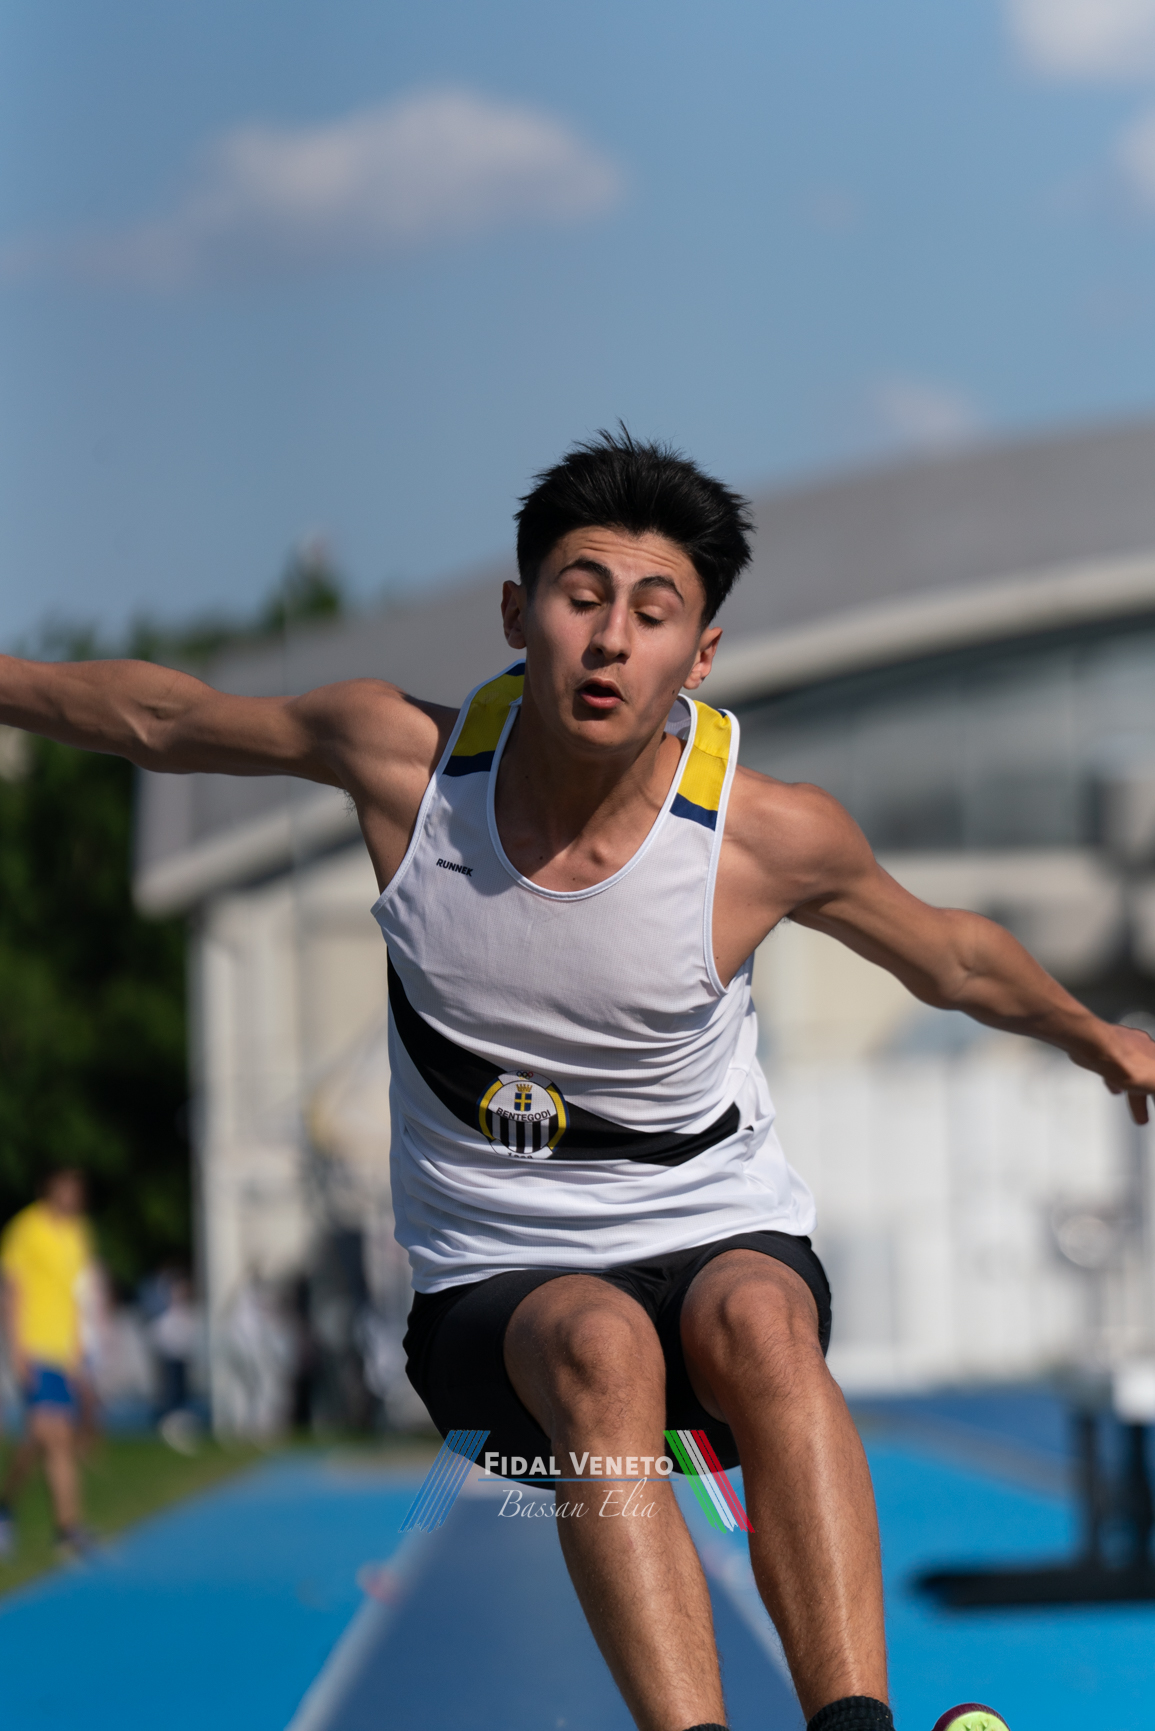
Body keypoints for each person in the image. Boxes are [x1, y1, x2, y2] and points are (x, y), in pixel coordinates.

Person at [2, 431, 1153, 1731]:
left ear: (700, 654)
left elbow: (950, 955)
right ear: (518, 613)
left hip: (717, 1233)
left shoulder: (761, 834)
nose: (609, 640)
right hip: (495, 1283)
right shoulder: (408, 767)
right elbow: (162, 719)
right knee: (602, 1344)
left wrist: (1099, 1038)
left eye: (653, 613)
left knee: (763, 1322)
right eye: (581, 595)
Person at [0, 1168, 96, 1558]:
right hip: (34, 1344)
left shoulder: (78, 1233)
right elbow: (13, 1292)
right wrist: (16, 1349)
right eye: (63, 1190)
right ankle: (17, 1509)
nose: (69, 1198)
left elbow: (77, 1295)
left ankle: (65, 1526)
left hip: (63, 1348)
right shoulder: (27, 1229)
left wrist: (79, 1348)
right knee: (47, 1433)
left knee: (56, 1438)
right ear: (49, 1191)